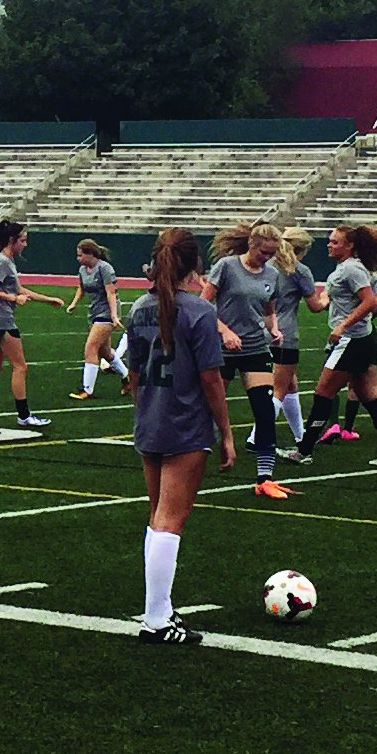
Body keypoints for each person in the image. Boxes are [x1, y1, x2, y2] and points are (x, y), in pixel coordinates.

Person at [122, 227, 230, 644]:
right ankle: (155, 619)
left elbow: (132, 372)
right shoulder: (199, 312)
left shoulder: (139, 307)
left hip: (151, 417)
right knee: (171, 520)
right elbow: (211, 379)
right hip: (185, 420)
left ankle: (161, 609)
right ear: (194, 264)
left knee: (157, 517)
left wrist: (145, 408)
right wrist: (226, 432)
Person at [297, 223, 377, 467]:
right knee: (369, 396)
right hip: (363, 338)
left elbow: (369, 302)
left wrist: (343, 325)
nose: (329, 245)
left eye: (335, 242)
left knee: (323, 393)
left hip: (351, 341)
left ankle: (303, 451)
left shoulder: (351, 269)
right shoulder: (350, 269)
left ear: (349, 246)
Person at [0, 220, 70, 433]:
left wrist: (46, 299)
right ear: (12, 241)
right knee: (20, 367)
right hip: (1, 321)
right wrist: (12, 298)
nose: (25, 245)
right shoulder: (2, 261)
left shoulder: (7, 261)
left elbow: (19, 288)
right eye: (23, 240)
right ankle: (24, 415)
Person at [207, 224, 291, 498]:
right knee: (207, 410)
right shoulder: (227, 266)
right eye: (265, 252)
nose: (268, 257)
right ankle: (189, 460)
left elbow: (268, 309)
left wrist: (274, 329)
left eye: (272, 253)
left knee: (265, 412)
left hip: (255, 348)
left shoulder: (272, 274)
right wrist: (225, 331)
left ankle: (264, 478)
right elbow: (204, 305)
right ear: (252, 246)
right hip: (221, 349)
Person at [259, 224, 314, 453]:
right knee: (279, 389)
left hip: (263, 330)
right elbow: (315, 306)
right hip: (286, 333)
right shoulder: (298, 270)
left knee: (290, 384)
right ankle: (257, 436)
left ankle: (300, 435)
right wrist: (330, 296)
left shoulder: (267, 266)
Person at [68, 239, 127, 400]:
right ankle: (127, 378)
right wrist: (73, 304)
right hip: (94, 312)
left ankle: (87, 389)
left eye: (80, 255)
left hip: (106, 312)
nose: (78, 258)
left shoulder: (104, 268)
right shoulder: (82, 270)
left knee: (90, 347)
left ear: (90, 254)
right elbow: (81, 288)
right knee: (105, 352)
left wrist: (114, 315)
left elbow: (111, 293)